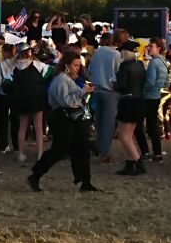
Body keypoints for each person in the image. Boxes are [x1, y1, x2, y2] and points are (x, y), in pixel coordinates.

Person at [28, 50, 98, 192]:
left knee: (82, 147)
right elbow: (65, 101)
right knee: (60, 150)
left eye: (79, 66)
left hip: (73, 118)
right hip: (63, 119)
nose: (78, 68)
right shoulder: (61, 79)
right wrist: (83, 91)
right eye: (75, 65)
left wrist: (84, 93)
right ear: (67, 65)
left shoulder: (67, 78)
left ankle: (86, 181)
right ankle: (36, 175)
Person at [8, 42, 50, 162]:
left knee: (22, 127)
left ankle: (21, 153)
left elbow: (6, 83)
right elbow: (50, 72)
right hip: (36, 98)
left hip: (21, 100)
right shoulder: (37, 64)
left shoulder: (13, 67)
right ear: (29, 51)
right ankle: (40, 154)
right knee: (38, 127)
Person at [114, 41, 147, 176]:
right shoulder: (140, 65)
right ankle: (129, 163)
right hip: (139, 100)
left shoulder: (124, 66)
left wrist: (113, 86)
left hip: (127, 101)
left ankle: (137, 162)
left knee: (124, 135)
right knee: (128, 134)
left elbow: (122, 85)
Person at [88, 32, 123, 161]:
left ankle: (99, 147)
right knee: (108, 124)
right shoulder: (116, 54)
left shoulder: (97, 52)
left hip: (97, 90)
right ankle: (105, 153)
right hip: (110, 91)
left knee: (100, 122)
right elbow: (118, 72)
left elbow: (90, 69)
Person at [139, 37, 170, 161]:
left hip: (148, 97)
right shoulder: (163, 62)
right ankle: (157, 153)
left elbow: (150, 82)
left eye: (151, 46)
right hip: (156, 96)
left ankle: (145, 152)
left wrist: (142, 91)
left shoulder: (153, 62)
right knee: (153, 125)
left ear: (158, 48)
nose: (148, 48)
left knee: (140, 125)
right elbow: (167, 82)